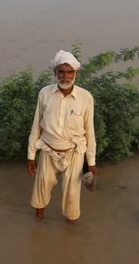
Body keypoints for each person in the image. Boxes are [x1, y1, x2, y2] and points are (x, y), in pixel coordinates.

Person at [26, 50, 97, 222]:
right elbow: (36, 126)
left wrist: (92, 162)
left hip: (75, 152)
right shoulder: (44, 93)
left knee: (72, 192)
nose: (65, 76)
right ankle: (39, 224)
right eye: (61, 72)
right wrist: (31, 156)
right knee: (41, 187)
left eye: (70, 72)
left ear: (76, 74)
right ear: (55, 73)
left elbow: (90, 131)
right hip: (48, 149)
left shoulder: (85, 97)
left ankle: (70, 230)